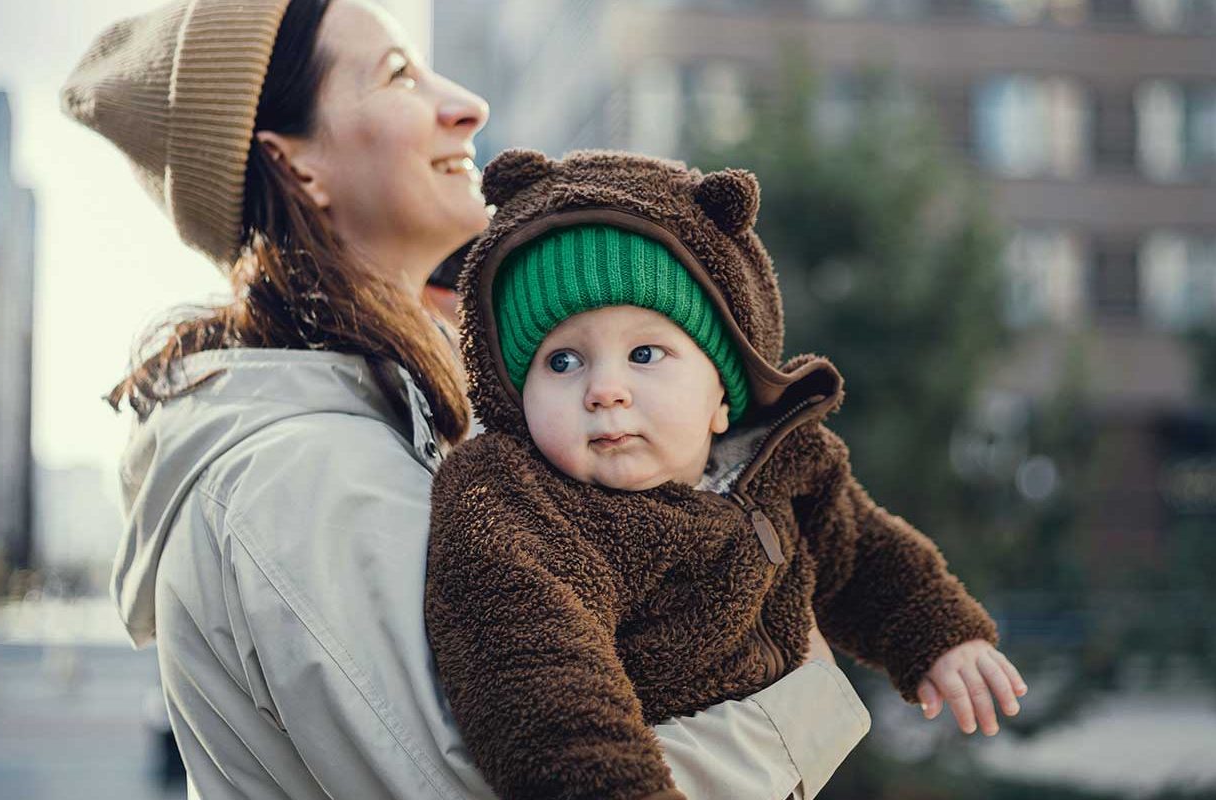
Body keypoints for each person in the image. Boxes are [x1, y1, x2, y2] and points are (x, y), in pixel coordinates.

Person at [60, 1, 872, 797]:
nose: (467, 106)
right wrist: (795, 707)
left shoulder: (370, 434)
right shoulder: (303, 474)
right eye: (398, 75)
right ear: (295, 161)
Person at [426, 150, 1029, 800]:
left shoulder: (784, 464)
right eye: (562, 361)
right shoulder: (518, 502)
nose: (604, 390)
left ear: (724, 391)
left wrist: (940, 636)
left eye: (645, 353)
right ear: (515, 397)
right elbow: (538, 675)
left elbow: (864, 555)